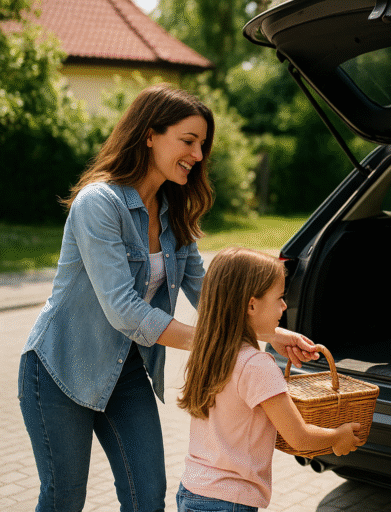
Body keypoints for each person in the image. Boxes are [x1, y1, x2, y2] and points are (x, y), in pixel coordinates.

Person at [17, 84, 315, 512]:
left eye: (202, 145)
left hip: (128, 372)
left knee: (147, 497)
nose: (198, 155)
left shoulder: (174, 213)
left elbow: (214, 295)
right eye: (189, 141)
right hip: (61, 368)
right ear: (149, 135)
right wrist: (221, 344)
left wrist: (274, 332)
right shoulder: (98, 204)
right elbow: (123, 310)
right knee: (64, 496)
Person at [176, 247, 362, 511]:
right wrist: (337, 436)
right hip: (229, 501)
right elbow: (299, 437)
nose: (284, 306)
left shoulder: (211, 351)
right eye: (280, 297)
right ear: (251, 304)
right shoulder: (256, 365)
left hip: (192, 491)